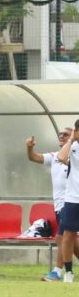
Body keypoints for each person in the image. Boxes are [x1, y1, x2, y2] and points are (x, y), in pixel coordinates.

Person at [26, 128, 79, 281]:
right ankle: (62, 271)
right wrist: (29, 147)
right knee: (71, 241)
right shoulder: (54, 156)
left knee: (62, 237)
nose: (62, 136)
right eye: (60, 134)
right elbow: (34, 157)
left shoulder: (73, 154)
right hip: (59, 205)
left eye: (66, 134)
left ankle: (57, 271)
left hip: (70, 203)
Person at [57, 120, 79, 283]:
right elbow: (61, 157)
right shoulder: (73, 147)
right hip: (73, 199)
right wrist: (71, 139)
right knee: (68, 235)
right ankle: (69, 273)